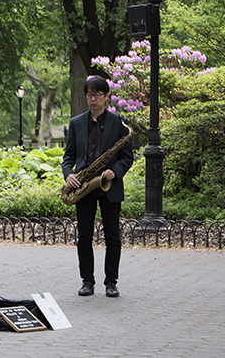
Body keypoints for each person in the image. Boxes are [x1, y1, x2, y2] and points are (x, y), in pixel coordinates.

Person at [62, 76, 134, 298]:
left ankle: (111, 282)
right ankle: (87, 281)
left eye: (97, 95)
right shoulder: (75, 123)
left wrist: (116, 171)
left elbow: (127, 158)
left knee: (112, 236)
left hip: (108, 185)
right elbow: (68, 157)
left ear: (106, 97)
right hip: (84, 185)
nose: (93, 99)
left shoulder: (118, 123)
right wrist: (69, 174)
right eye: (89, 95)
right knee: (84, 236)